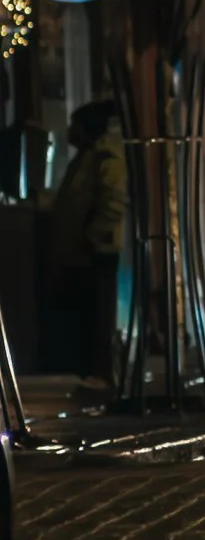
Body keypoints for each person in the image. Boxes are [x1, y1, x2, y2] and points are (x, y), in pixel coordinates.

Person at [46, 102, 125, 391]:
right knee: (87, 315)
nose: (69, 131)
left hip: (97, 252)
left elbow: (113, 202)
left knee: (98, 316)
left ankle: (101, 374)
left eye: (74, 125)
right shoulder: (86, 159)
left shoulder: (104, 158)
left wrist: (92, 237)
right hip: (82, 252)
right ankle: (93, 373)